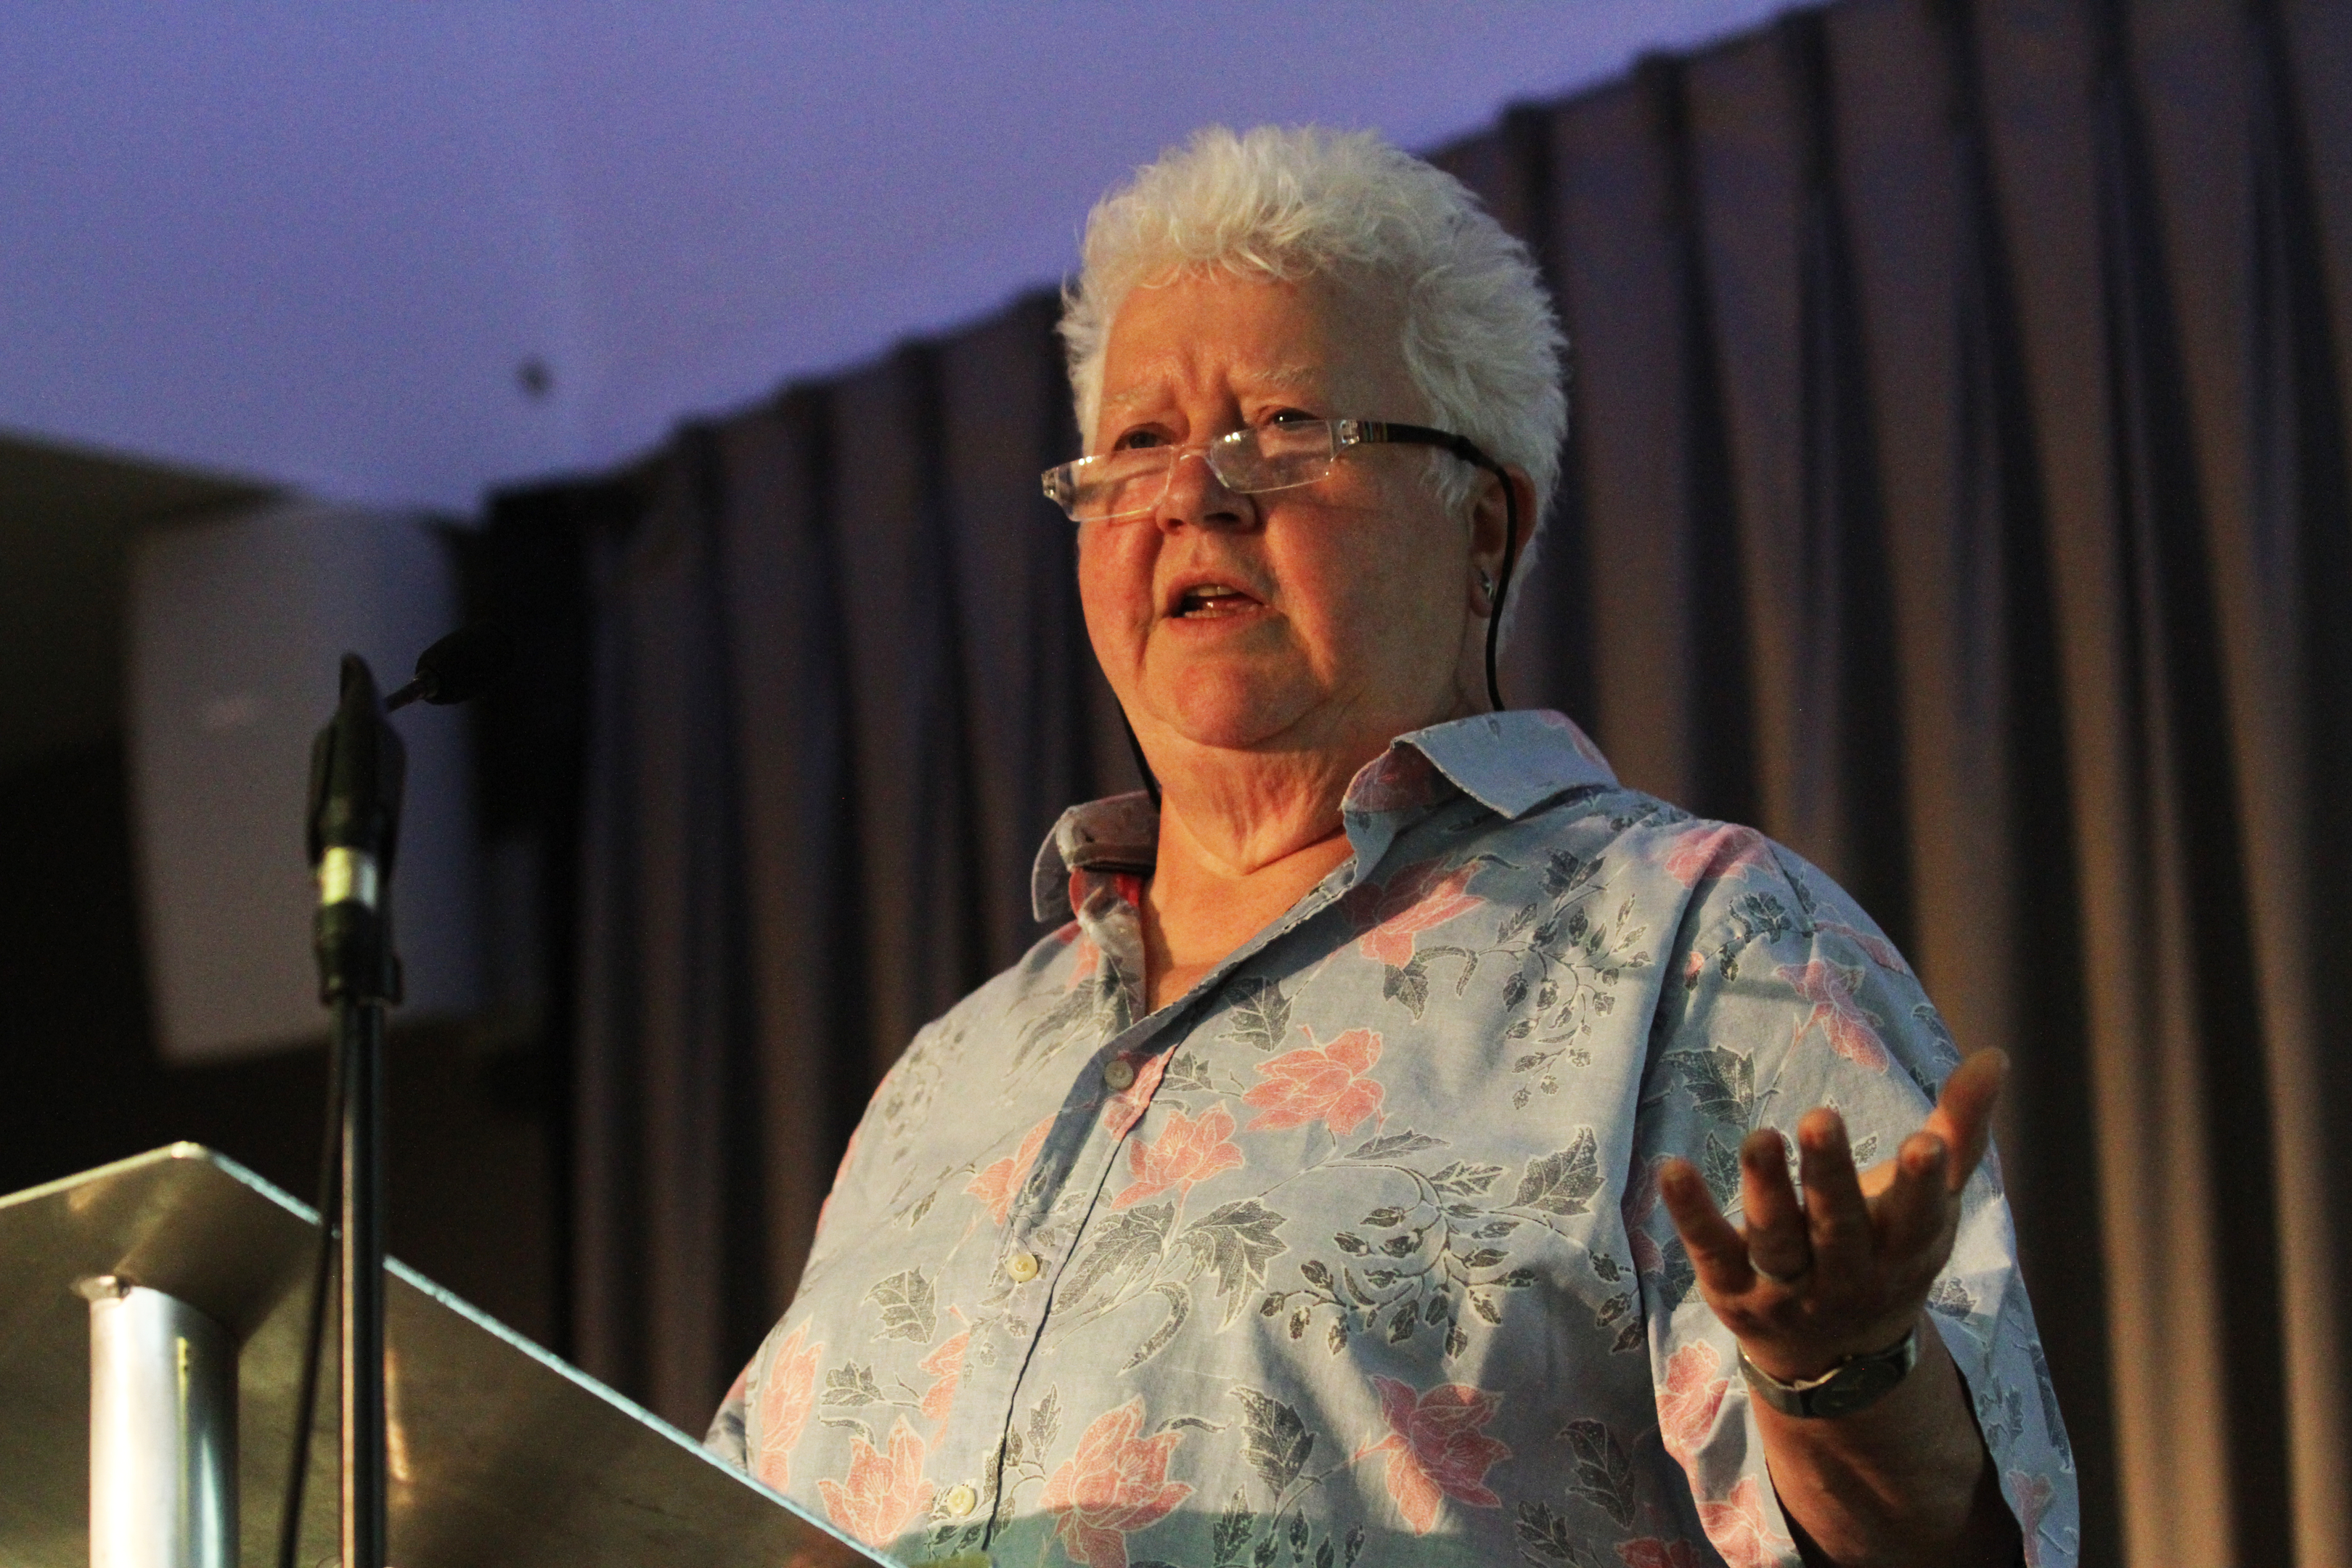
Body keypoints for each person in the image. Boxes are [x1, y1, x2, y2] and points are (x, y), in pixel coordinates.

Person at [709, 125, 2075, 1568]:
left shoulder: (1700, 943)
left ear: (1481, 528)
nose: (1195, 493)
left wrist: (1840, 1378)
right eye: (1138, 447)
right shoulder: (953, 1070)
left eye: (1286, 428)